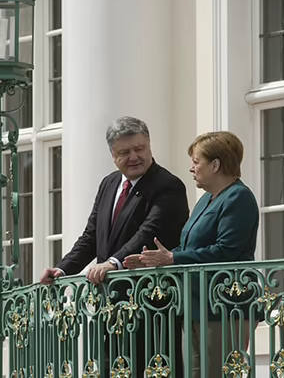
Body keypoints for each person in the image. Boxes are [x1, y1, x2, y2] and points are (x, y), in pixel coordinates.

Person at [40, 116, 189, 377]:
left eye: (139, 148)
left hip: (151, 303)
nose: (134, 157)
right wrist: (62, 269)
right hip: (109, 305)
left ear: (149, 146)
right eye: (124, 152)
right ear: (113, 155)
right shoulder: (109, 184)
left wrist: (112, 263)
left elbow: (148, 233)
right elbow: (91, 236)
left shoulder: (168, 185)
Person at [124, 131, 260, 378]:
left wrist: (173, 259)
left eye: (196, 162)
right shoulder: (206, 199)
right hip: (196, 303)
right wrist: (153, 259)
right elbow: (189, 247)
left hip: (224, 304)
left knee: (217, 373)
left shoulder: (239, 197)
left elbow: (226, 251)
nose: (191, 168)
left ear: (215, 165)